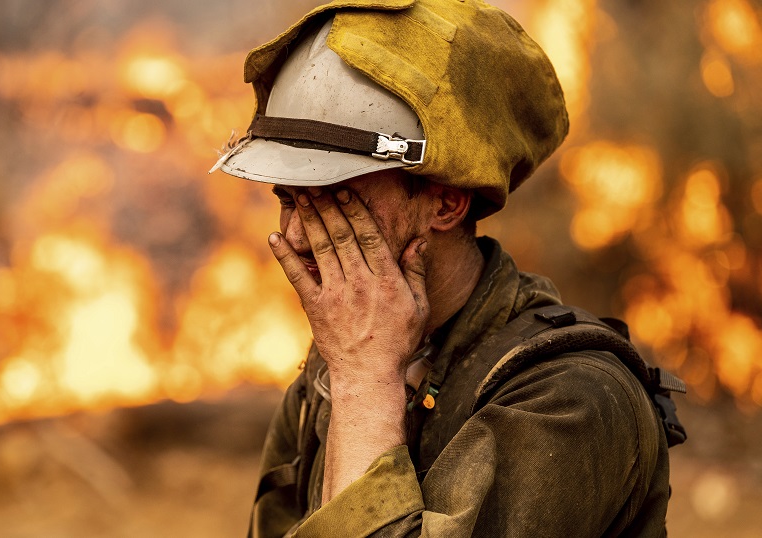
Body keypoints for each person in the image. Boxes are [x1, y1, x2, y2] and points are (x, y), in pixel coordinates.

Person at [213, 1, 683, 536]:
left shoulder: (575, 397)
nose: (297, 236)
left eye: (335, 198)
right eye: (290, 198)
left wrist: (367, 384)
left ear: (445, 204)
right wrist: (358, 375)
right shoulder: (341, 361)